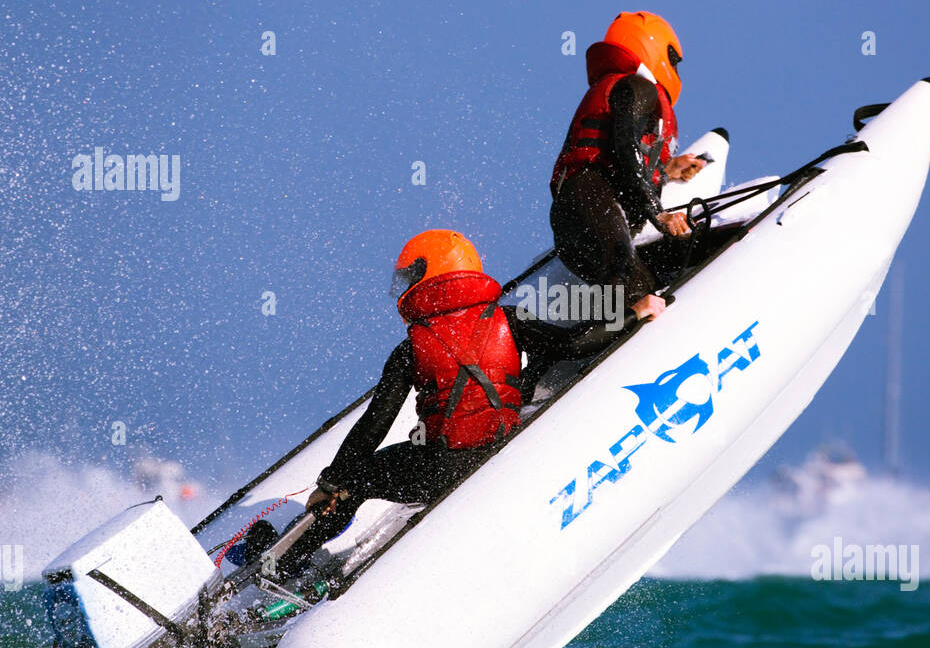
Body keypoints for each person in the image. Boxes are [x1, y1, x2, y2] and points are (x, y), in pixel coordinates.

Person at [276, 229, 664, 574]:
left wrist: (332, 482)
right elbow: (574, 343)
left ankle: (286, 564)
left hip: (438, 469)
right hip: (501, 457)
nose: (405, 286)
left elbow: (373, 426)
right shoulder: (509, 320)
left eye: (411, 276)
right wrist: (633, 313)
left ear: (432, 275)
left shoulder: (411, 347)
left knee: (357, 480)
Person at [549, 11, 707, 318]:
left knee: (644, 289)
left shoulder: (630, 89)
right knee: (628, 281)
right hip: (588, 201)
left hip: (582, 221)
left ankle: (606, 337)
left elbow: (627, 160)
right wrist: (659, 212)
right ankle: (619, 332)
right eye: (673, 59)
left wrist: (667, 170)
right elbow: (624, 151)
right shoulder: (637, 87)